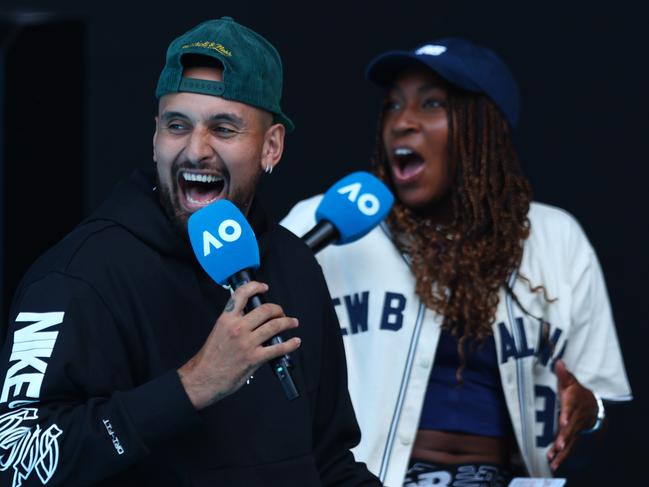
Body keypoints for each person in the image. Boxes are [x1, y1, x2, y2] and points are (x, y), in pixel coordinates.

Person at [0, 17, 381, 487]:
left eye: (224, 128)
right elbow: (15, 461)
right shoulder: (79, 275)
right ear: (155, 137)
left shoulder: (295, 264)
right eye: (177, 125)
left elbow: (328, 462)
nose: (195, 150)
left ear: (272, 147)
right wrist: (192, 385)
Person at [282, 37, 632, 486]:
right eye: (392, 106)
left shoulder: (557, 238)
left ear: (484, 129)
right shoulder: (325, 222)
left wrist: (591, 411)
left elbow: (602, 405)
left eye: (431, 104)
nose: (401, 123)